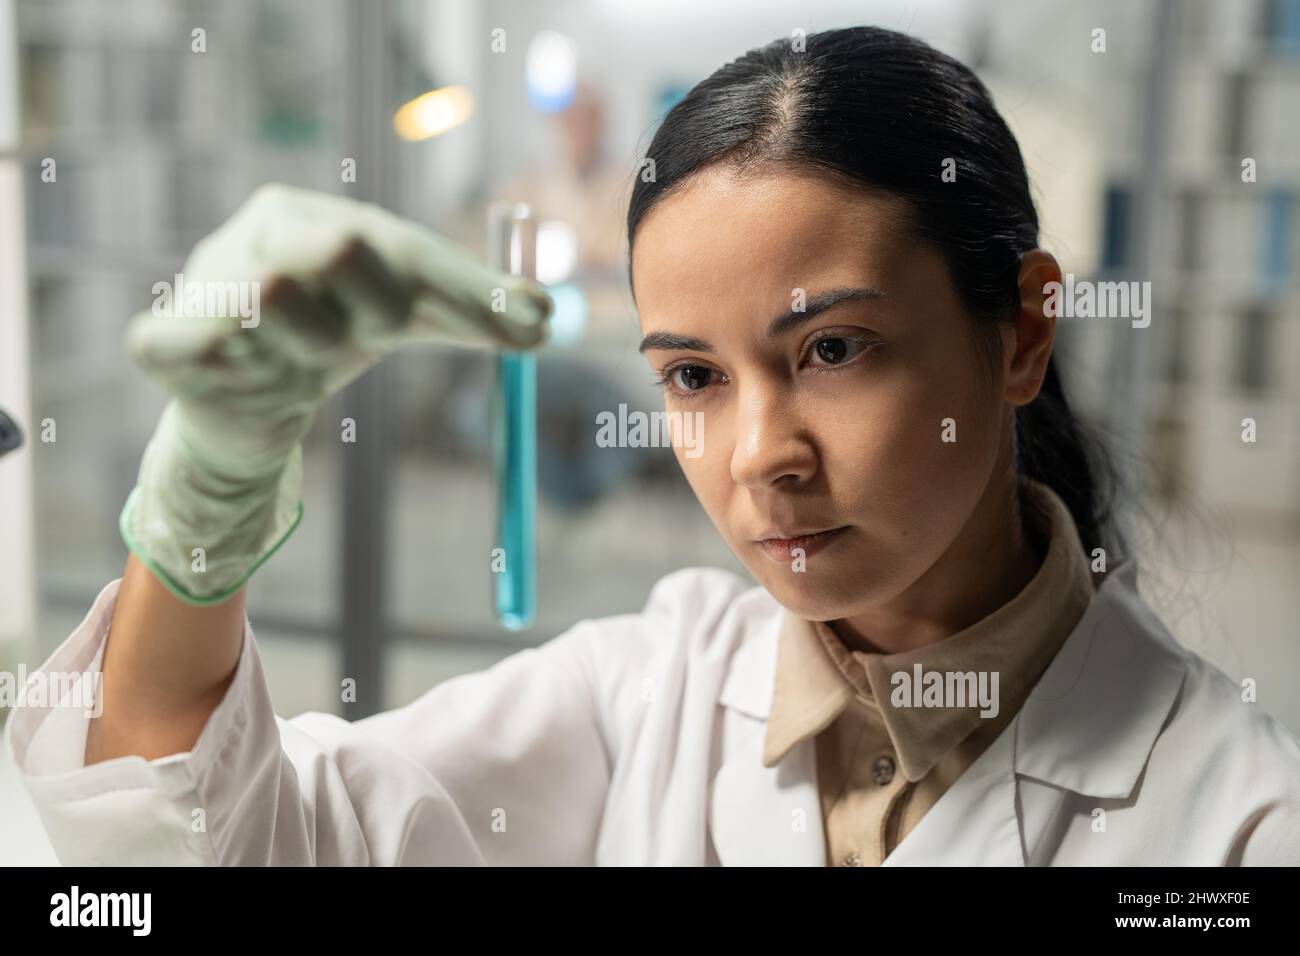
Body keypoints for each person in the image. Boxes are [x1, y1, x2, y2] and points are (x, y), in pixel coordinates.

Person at [8, 26, 1300, 866]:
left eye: (834, 351)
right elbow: (211, 842)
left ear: (1020, 333)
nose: (758, 456)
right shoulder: (651, 692)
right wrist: (205, 504)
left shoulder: (1238, 824)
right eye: (691, 373)